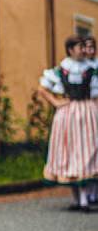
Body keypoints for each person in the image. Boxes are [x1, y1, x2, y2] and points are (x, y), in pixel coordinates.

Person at [38, 35, 98, 211]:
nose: (83, 50)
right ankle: (78, 198)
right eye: (79, 47)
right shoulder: (61, 70)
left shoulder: (91, 69)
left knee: (87, 150)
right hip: (68, 115)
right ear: (71, 50)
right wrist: (56, 102)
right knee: (70, 151)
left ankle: (86, 199)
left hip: (87, 113)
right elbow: (42, 89)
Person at [83, 35, 98, 204]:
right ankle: (87, 192)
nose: (89, 51)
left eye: (91, 47)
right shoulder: (79, 68)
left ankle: (94, 191)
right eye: (86, 47)